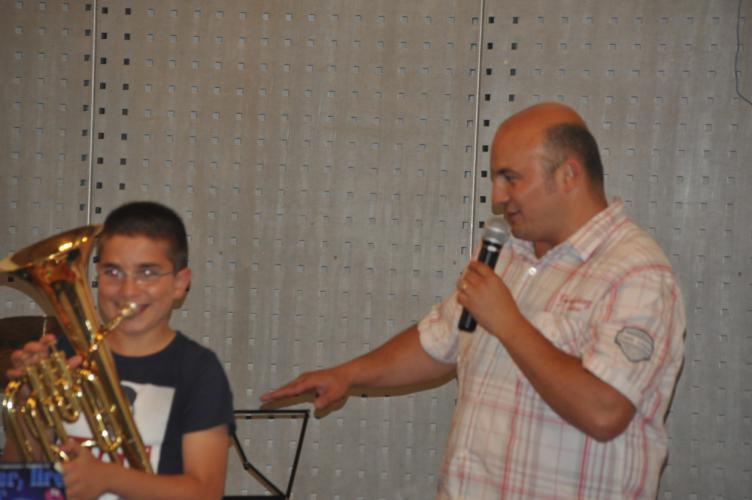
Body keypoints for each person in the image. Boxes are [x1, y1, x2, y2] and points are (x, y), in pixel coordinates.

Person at [262, 103, 686, 498]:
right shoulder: (508, 253)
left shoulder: (635, 272)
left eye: (511, 178)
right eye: (495, 179)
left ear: (568, 175)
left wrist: (509, 323)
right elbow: (440, 340)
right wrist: (347, 375)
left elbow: (605, 412)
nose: (498, 198)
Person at [3, 201, 235, 500]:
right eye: (112, 271)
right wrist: (27, 403)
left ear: (179, 284)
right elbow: (18, 479)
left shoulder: (198, 370)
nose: (128, 290)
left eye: (147, 272)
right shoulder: (62, 357)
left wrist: (109, 477)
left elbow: (206, 492)